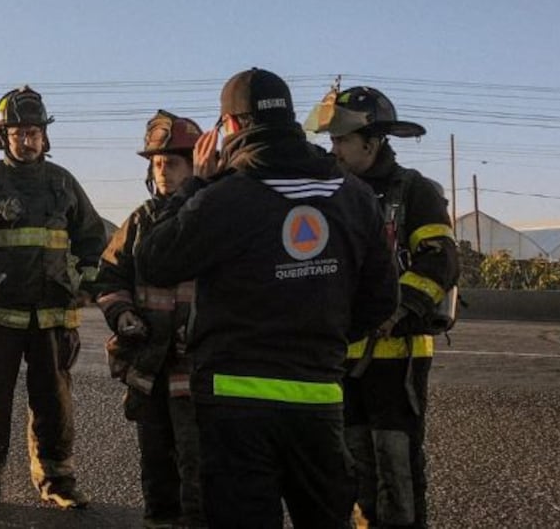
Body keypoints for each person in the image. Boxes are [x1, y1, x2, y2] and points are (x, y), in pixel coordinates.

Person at [133, 68, 397, 529]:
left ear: (231, 126)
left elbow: (154, 260)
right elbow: (381, 300)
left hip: (233, 404)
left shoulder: (226, 197)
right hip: (319, 397)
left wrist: (196, 185)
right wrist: (323, 338)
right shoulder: (354, 196)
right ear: (290, 119)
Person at [0, 86, 107, 512]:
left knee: (54, 402)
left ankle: (58, 478)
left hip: (53, 314)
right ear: (4, 137)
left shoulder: (62, 182)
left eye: (34, 132)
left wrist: (85, 281)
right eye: (19, 133)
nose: (27, 140)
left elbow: (92, 236)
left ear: (44, 136)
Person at [313, 86, 461, 529]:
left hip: (397, 357)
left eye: (342, 140)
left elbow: (440, 261)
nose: (334, 149)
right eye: (332, 140)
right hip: (342, 357)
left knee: (396, 466)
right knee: (353, 463)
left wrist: (395, 310)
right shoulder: (331, 194)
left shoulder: (413, 191)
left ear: (372, 143)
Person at [92, 110, 208, 528]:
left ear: (195, 166)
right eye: (157, 163)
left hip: (196, 371)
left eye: (172, 163)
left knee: (199, 468)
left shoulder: (214, 218)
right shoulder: (140, 221)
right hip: (149, 368)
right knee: (156, 466)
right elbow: (109, 276)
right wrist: (122, 313)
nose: (162, 171)